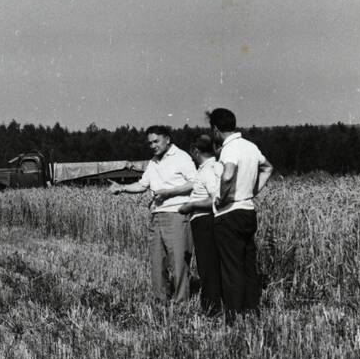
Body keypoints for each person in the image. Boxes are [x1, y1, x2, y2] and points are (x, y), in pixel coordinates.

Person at [109, 125, 197, 302]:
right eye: (150, 143)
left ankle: (181, 303)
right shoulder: (153, 162)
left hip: (177, 214)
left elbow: (195, 183)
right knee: (157, 262)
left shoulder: (182, 157)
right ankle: (160, 300)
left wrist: (169, 192)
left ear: (167, 139)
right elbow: (143, 185)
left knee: (178, 261)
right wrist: (122, 188)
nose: (153, 146)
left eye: (156, 141)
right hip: (156, 215)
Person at [207, 107, 275, 317]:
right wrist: (252, 191)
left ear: (216, 129)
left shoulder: (229, 149)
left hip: (230, 212)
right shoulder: (250, 146)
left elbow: (227, 176)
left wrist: (223, 197)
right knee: (248, 263)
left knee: (231, 267)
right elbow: (268, 168)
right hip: (248, 210)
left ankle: (234, 314)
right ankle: (251, 310)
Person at [178, 135, 225, 316]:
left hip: (204, 221)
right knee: (211, 264)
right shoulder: (217, 167)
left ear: (195, 151)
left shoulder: (207, 171)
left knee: (207, 265)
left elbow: (215, 199)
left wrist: (191, 206)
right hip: (208, 220)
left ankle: (211, 307)